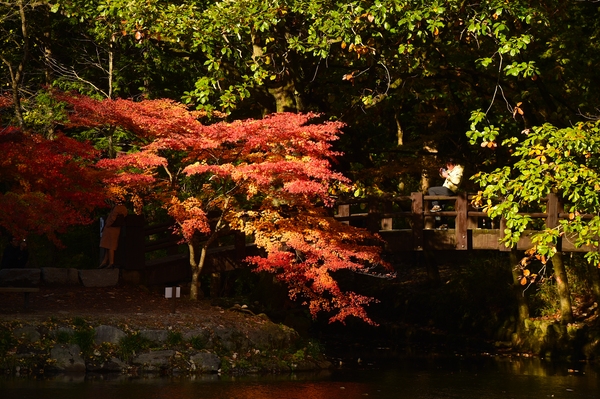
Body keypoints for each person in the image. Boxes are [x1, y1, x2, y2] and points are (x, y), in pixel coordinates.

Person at [99, 202, 128, 269]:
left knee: (110, 246)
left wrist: (107, 225)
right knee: (109, 245)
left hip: (111, 229)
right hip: (117, 229)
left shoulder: (116, 208)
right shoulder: (124, 209)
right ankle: (104, 261)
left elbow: (112, 218)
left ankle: (111, 262)